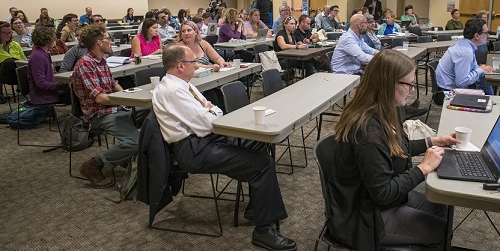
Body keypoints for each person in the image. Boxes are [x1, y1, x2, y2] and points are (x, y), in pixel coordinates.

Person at [152, 44, 297, 251]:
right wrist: (209, 111)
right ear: (181, 66)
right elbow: (206, 123)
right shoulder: (173, 90)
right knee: (263, 164)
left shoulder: (185, 84)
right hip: (193, 150)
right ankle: (263, 231)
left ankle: (257, 207)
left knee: (257, 142)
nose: (198, 66)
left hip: (205, 140)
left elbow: (212, 111)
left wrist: (209, 110)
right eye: (193, 62)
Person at [329, 49, 458, 250]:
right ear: (388, 84)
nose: (412, 90)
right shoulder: (368, 132)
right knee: (442, 229)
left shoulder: (388, 109)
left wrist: (433, 141)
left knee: (442, 205)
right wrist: (422, 168)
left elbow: (397, 148)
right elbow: (383, 192)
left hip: (379, 202)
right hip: (367, 216)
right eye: (409, 84)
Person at [72, 24, 141, 189]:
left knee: (153, 115)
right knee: (135, 141)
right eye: (108, 39)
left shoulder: (101, 61)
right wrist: (126, 101)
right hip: (99, 115)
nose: (111, 42)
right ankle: (94, 165)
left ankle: (125, 156)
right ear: (99, 42)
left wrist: (127, 97)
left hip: (114, 108)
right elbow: (101, 99)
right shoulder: (85, 65)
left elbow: (113, 83)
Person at [436, 18, 494, 101]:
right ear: (477, 36)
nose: (488, 36)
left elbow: (471, 69)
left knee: (483, 81)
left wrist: (481, 69)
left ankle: (494, 107)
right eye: (486, 33)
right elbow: (462, 83)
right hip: (448, 92)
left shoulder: (465, 44)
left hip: (448, 86)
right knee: (485, 84)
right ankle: (494, 108)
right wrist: (480, 70)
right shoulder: (465, 52)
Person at [28, 26, 69, 105]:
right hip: (44, 97)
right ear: (48, 39)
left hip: (50, 93)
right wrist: (59, 86)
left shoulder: (45, 53)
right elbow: (40, 83)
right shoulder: (37, 57)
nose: (55, 41)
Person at [0, 21, 26, 103]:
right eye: (5, 33)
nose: (8, 35)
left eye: (10, 32)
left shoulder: (15, 44)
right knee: (9, 62)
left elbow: (23, 58)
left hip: (16, 69)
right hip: (3, 71)